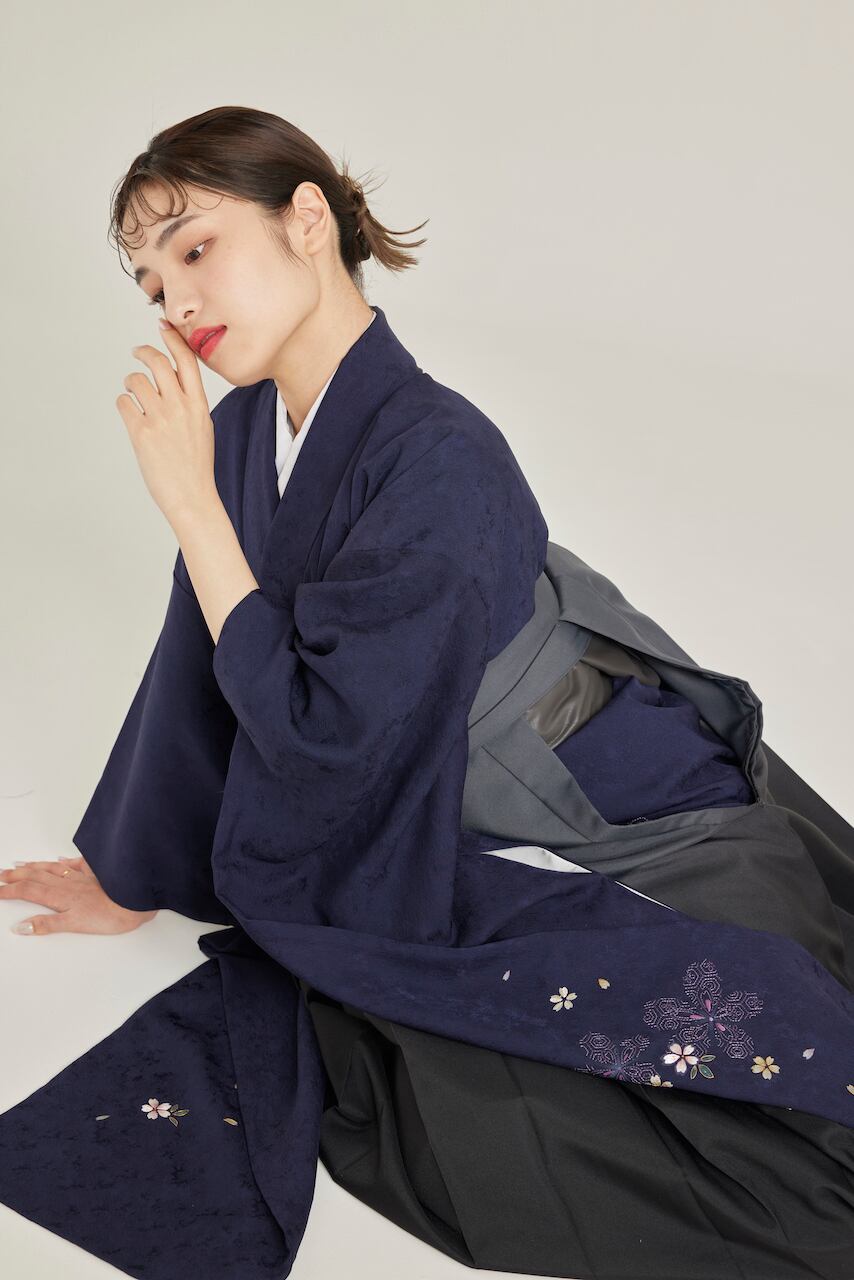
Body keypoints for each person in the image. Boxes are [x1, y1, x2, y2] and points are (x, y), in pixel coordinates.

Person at [0, 106, 852, 1280]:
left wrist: (192, 511)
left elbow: (329, 736)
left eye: (193, 248)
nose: (175, 301)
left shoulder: (439, 452)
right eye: (149, 284)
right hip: (440, 757)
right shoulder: (243, 429)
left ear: (307, 219)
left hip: (583, 775)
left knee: (766, 1058)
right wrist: (134, 870)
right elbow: (200, 658)